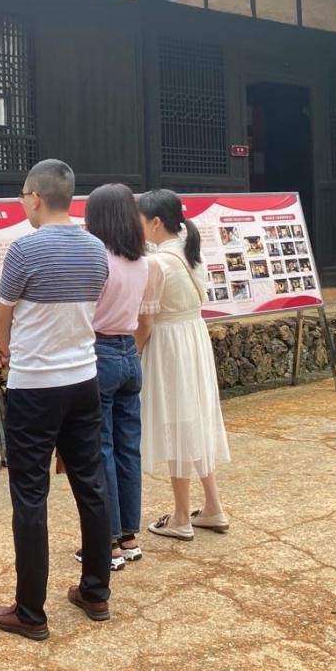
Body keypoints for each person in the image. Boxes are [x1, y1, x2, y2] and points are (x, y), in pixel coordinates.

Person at [0, 159, 112, 641]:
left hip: (36, 383)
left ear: (36, 197)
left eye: (23, 194)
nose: (23, 202)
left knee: (30, 493)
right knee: (90, 484)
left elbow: (3, 314)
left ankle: (30, 612)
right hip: (83, 378)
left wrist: (5, 348)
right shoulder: (95, 247)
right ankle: (96, 591)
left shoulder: (25, 249)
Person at [137, 189, 231, 541]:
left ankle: (180, 515)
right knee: (194, 420)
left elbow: (146, 321)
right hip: (193, 337)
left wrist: (134, 352)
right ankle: (212, 506)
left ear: (155, 222)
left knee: (178, 424)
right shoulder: (191, 253)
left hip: (169, 344)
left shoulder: (157, 263)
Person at [80, 184, 154, 571]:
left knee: (101, 448)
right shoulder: (141, 261)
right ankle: (129, 536)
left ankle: (106, 542)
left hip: (100, 351)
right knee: (128, 448)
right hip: (128, 351)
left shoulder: (98, 260)